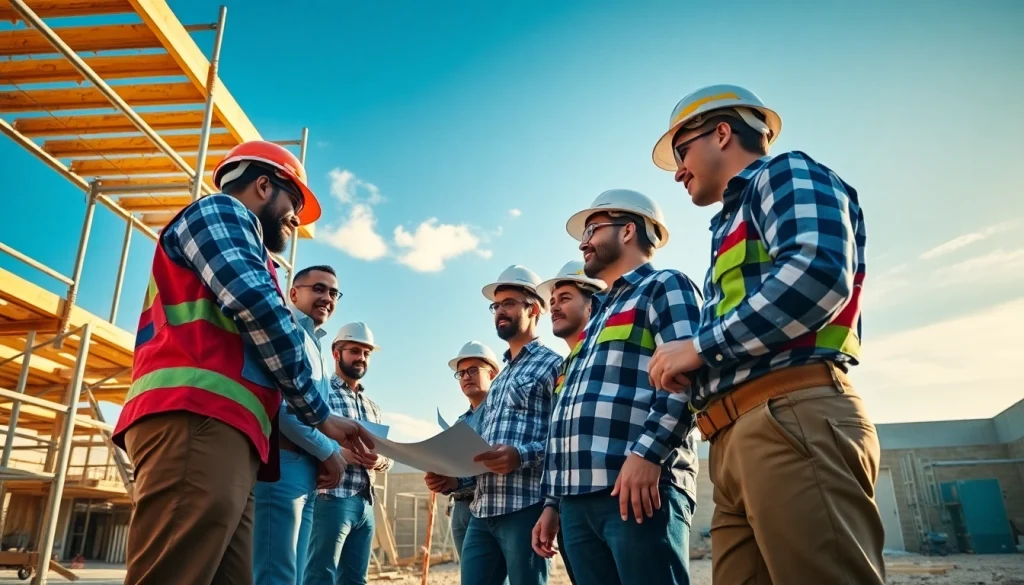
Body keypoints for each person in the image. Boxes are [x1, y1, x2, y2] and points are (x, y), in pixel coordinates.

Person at [648, 84, 882, 585]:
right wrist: (696, 373)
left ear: (723, 132)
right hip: (735, 439)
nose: (679, 171)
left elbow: (818, 273)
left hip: (790, 416)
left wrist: (699, 347)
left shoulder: (785, 172)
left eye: (681, 152)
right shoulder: (731, 223)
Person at [112, 141, 373, 585]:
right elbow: (258, 307)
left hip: (225, 429)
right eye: (293, 202)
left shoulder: (251, 250)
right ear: (263, 185)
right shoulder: (222, 212)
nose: (295, 218)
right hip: (196, 416)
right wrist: (320, 415)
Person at [533, 190, 702, 585]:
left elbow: (688, 379)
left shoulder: (665, 286)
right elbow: (569, 414)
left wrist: (649, 454)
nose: (583, 242)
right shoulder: (597, 319)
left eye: (592, 229)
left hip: (637, 487)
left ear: (628, 230)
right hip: (577, 502)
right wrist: (554, 503)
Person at [425, 265, 562, 585]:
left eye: (509, 303)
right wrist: (454, 482)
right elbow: (483, 452)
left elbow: (562, 439)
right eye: (496, 306)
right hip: (481, 512)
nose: (500, 311)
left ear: (535, 308)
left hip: (525, 508)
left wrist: (521, 455)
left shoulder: (554, 365)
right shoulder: (499, 384)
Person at [253, 265, 347, 585]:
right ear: (293, 293)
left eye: (333, 293)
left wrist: (325, 453)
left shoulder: (315, 344)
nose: (327, 298)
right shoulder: (287, 331)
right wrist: (328, 451)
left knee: (291, 575)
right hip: (282, 462)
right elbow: (282, 407)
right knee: (274, 573)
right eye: (318, 289)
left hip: (304, 468)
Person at [534, 260, 606, 585]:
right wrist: (552, 504)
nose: (554, 308)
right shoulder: (564, 370)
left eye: (564, 298)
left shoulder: (613, 349)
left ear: (592, 304)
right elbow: (559, 441)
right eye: (551, 302)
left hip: (617, 493)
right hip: (573, 504)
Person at [304, 322, 394, 585]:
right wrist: (336, 451)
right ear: (336, 353)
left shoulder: (373, 407)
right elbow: (305, 435)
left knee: (356, 580)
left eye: (366, 353)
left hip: (365, 503)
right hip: (330, 498)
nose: (361, 358)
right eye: (355, 351)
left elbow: (387, 456)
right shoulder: (321, 393)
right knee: (320, 575)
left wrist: (379, 460)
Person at [440, 341, 501, 559]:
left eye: (473, 370)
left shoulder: (501, 416)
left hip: (488, 504)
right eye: (461, 373)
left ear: (493, 373)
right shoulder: (460, 423)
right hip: (460, 507)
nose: (466, 376)